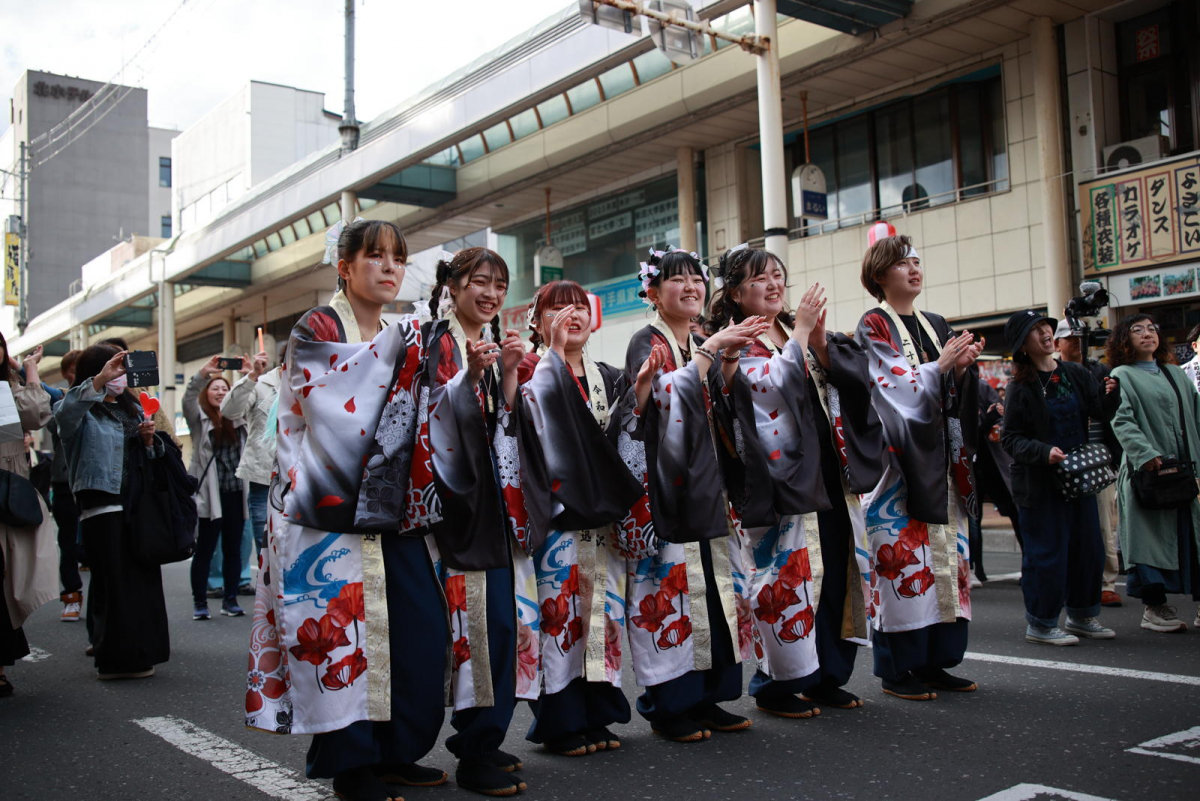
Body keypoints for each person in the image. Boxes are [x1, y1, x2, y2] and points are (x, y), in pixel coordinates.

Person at [246, 219, 450, 801]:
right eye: (376, 256)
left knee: (418, 630)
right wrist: (409, 352)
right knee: (338, 636)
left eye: (398, 258)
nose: (390, 268)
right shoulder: (319, 326)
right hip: (324, 509)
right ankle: (351, 765)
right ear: (344, 267)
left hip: (393, 506)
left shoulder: (398, 332)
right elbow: (331, 405)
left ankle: (396, 751)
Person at [707, 245, 885, 715]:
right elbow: (767, 389)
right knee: (787, 579)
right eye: (759, 278)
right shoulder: (735, 339)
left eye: (777, 275)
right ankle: (777, 684)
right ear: (735, 292)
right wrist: (803, 333)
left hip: (828, 472)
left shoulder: (791, 329)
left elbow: (851, 381)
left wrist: (820, 343)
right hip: (780, 481)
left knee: (837, 571)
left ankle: (826, 675)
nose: (773, 284)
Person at [622, 248, 762, 741]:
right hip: (669, 489)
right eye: (676, 280)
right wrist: (711, 352)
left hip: (711, 485)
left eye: (697, 279)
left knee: (719, 590)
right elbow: (658, 401)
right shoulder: (647, 341)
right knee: (671, 594)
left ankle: (709, 697)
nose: (691, 287)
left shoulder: (702, 340)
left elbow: (723, 405)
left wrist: (728, 359)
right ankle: (668, 703)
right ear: (653, 293)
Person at [514, 280, 646, 756]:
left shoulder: (608, 375)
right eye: (558, 307)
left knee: (602, 615)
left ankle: (596, 713)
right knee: (560, 618)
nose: (572, 314)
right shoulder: (527, 370)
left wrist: (641, 394)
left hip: (602, 520)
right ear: (537, 321)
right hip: (557, 519)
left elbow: (627, 440)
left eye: (580, 306)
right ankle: (560, 721)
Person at [421, 247, 533, 795]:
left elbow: (503, 424)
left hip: (495, 507)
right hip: (460, 512)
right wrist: (470, 375)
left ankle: (484, 737)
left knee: (502, 626)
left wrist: (507, 374)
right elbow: (433, 423)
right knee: (479, 629)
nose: (490, 294)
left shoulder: (486, 343)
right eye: (480, 282)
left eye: (499, 285)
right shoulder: (437, 342)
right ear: (454, 285)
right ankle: (475, 747)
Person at [855, 234, 982, 701]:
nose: (913, 269)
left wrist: (961, 368)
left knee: (947, 562)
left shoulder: (936, 323)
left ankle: (936, 661)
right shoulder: (873, 324)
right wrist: (940, 366)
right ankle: (897, 668)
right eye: (902, 263)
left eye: (916, 261)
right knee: (903, 566)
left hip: (942, 463)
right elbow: (888, 388)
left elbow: (949, 392)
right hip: (900, 469)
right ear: (879, 275)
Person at [1001, 310, 1120, 645]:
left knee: (1087, 549)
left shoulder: (1075, 373)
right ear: (1022, 345)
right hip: (1040, 485)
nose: (1045, 334)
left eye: (1046, 327)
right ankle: (1041, 623)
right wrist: (1044, 452)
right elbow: (1010, 439)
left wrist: (1111, 394)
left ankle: (1083, 615)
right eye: (1035, 330)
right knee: (1047, 554)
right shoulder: (1019, 388)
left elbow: (1098, 410)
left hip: (1079, 478)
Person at [56, 343, 169, 680]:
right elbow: (63, 417)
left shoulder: (133, 409)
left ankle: (143, 653)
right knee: (113, 584)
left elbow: (152, 461)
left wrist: (149, 442)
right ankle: (114, 659)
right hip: (101, 507)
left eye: (122, 370)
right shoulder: (80, 409)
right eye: (113, 368)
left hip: (137, 505)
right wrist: (99, 381)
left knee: (142, 584)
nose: (120, 376)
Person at [1107, 314, 1200, 633]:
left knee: (1192, 535)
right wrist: (1146, 454)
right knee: (1148, 542)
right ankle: (1154, 608)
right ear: (1124, 339)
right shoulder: (1122, 375)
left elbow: (1196, 413)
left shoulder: (1174, 373)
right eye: (1137, 330)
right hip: (1148, 473)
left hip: (1185, 471)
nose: (1147, 334)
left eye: (1151, 329)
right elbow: (1121, 419)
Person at [0, 339, 58, 697]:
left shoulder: (8, 387)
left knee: (5, 580)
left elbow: (37, 415)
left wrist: (30, 369)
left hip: (6, 494)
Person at [1056, 320, 1124, 608]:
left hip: (1099, 461)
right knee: (1068, 529)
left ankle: (1107, 583)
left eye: (1080, 337)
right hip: (1061, 462)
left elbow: (1109, 414)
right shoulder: (1048, 373)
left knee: (1105, 526)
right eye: (1070, 337)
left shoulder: (1100, 371)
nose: (1076, 342)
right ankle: (1072, 584)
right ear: (1057, 343)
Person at [183, 361, 249, 620]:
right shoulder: (198, 419)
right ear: (206, 394)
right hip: (209, 496)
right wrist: (203, 373)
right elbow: (188, 397)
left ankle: (230, 600)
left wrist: (249, 374)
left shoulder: (239, 416)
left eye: (225, 388)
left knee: (233, 550)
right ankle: (200, 603)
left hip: (235, 492)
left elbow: (252, 396)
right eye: (215, 388)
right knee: (205, 550)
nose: (220, 392)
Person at [219, 344, 282, 556]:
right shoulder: (261, 384)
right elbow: (229, 411)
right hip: (264, 481)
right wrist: (253, 375)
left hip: (299, 482)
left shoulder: (308, 385)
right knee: (265, 550)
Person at [969, 378, 1022, 583]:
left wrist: (995, 423)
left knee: (1015, 511)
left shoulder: (980, 386)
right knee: (974, 518)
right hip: (971, 464)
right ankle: (976, 569)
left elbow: (1001, 414)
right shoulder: (948, 387)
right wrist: (988, 419)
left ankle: (1029, 564)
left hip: (993, 462)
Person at [48, 349, 85, 622]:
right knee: (68, 542)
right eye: (73, 370)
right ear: (65, 373)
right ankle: (71, 596)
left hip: (94, 482)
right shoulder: (59, 399)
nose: (78, 375)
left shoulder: (103, 395)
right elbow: (54, 425)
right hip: (64, 481)